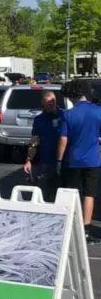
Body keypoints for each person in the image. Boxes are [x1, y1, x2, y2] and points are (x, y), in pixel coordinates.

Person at [57, 79, 101, 226]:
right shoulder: (98, 111)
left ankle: (71, 225)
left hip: (73, 160)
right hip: (92, 160)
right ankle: (86, 228)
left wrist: (59, 160)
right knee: (89, 195)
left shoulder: (68, 114)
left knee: (71, 194)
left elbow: (63, 140)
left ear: (71, 96)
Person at [23, 91, 63, 202]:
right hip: (46, 162)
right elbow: (35, 140)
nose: (51, 104)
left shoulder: (64, 116)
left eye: (53, 101)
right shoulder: (39, 119)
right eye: (47, 102)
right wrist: (29, 160)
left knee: (63, 194)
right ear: (42, 103)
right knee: (44, 194)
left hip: (64, 162)